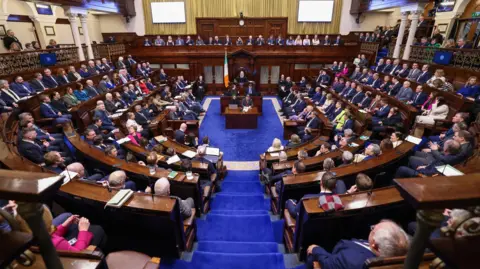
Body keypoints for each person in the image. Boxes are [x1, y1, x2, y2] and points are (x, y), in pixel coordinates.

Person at [305, 219, 409, 269]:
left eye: (373, 229)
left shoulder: (350, 260)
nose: (371, 229)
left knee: (311, 256)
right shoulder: (405, 256)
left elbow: (329, 263)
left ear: (375, 245)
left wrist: (316, 249)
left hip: (334, 260)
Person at [395, 140, 461, 178]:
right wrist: (426, 166)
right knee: (411, 157)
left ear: (446, 149)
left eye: (444, 146)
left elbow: (431, 173)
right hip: (428, 167)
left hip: (424, 175)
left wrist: (422, 168)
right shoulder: (451, 156)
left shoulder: (443, 160)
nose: (443, 147)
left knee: (402, 168)